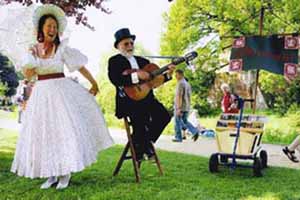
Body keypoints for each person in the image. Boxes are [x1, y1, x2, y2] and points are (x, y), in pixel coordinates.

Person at [10, 4, 114, 190]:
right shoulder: (33, 49)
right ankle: (51, 175)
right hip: (41, 94)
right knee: (45, 134)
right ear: (41, 28)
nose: (52, 29)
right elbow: (28, 76)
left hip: (61, 93)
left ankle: (65, 174)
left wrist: (94, 83)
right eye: (49, 26)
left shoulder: (62, 48)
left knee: (62, 132)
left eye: (55, 26)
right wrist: (30, 60)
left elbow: (79, 66)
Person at [108, 28, 174, 162]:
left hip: (148, 100)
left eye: (131, 43)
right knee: (141, 119)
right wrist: (136, 75)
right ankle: (144, 148)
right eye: (126, 44)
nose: (130, 46)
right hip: (128, 102)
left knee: (164, 115)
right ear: (118, 46)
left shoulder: (143, 61)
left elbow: (154, 81)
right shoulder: (114, 61)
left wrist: (168, 75)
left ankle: (144, 146)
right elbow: (116, 80)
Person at [173, 69, 201, 142]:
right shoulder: (187, 83)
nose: (175, 76)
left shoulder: (180, 83)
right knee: (185, 121)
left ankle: (178, 138)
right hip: (186, 106)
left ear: (180, 74)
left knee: (177, 122)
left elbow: (179, 96)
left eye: (176, 74)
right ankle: (194, 131)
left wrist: (178, 108)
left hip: (180, 106)